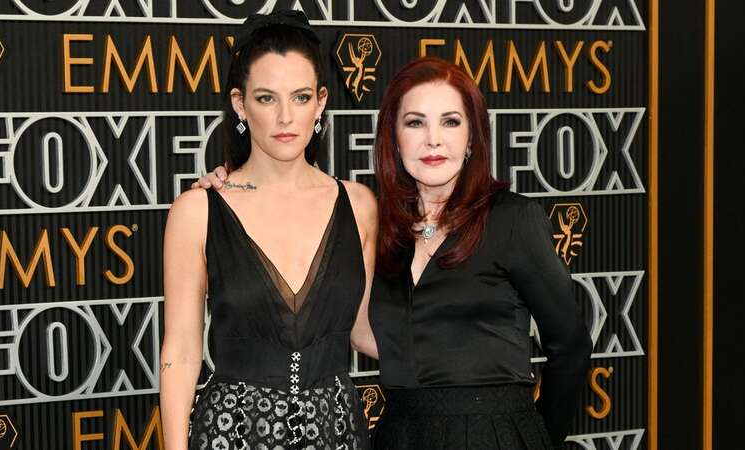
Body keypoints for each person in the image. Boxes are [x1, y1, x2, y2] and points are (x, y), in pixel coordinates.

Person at [197, 57, 592, 450]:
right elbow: (357, 329)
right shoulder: (376, 223)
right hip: (401, 433)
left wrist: (535, 437)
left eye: (451, 122)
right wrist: (236, 186)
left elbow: (570, 347)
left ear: (472, 137)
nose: (433, 139)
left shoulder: (512, 219)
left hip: (496, 433)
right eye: (415, 122)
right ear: (394, 137)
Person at [160, 11, 376, 450]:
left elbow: (364, 329)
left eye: (299, 97)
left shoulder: (359, 205)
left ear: (320, 102)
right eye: (266, 98)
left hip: (336, 434)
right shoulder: (197, 211)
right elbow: (181, 353)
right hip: (232, 434)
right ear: (240, 104)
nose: (284, 117)